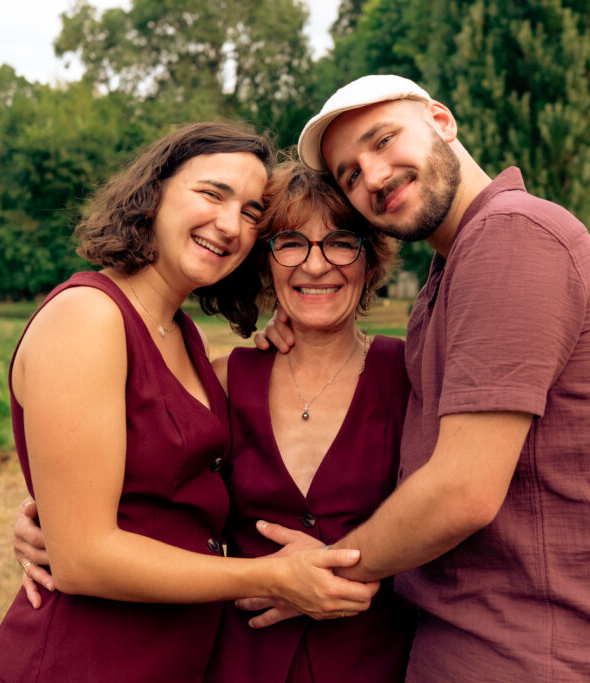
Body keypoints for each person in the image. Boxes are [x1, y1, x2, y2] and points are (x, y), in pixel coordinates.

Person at [252, 75, 590, 680]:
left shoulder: (511, 235)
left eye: (383, 140)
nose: (373, 176)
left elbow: (462, 491)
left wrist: (323, 574)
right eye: (350, 175)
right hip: (488, 640)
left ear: (442, 122)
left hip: (538, 654)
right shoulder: (455, 266)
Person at [0, 123, 379, 683]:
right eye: (212, 193)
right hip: (87, 662)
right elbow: (81, 559)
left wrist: (302, 329)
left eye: (249, 212)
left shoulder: (182, 336)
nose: (230, 224)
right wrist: (272, 576)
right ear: (154, 192)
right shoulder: (88, 316)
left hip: (176, 660)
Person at [203, 160, 416, 682]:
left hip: (375, 664)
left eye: (341, 243)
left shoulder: (411, 374)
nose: (315, 266)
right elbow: (156, 500)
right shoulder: (226, 379)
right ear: (266, 260)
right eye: (291, 243)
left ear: (371, 260)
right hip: (241, 664)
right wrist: (43, 520)